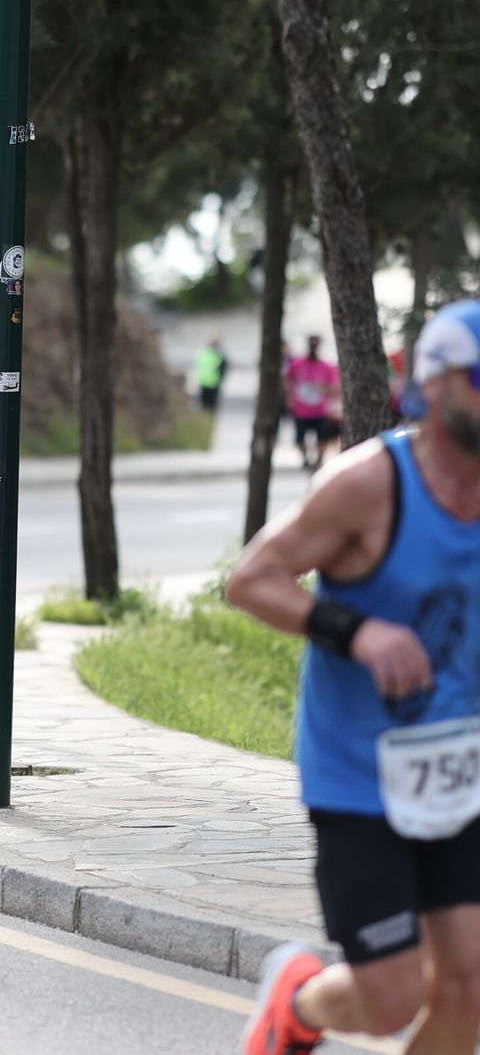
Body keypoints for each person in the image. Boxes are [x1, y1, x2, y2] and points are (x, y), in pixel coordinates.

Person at [226, 298, 480, 1055]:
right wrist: (356, 629)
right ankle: (298, 1002)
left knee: (469, 989)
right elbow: (252, 579)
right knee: (391, 998)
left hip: (460, 769)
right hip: (358, 775)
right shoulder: (369, 483)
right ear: (432, 385)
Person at [284, 334, 341, 471]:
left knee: (323, 437)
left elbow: (335, 388)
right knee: (299, 439)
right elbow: (286, 378)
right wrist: (289, 396)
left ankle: (319, 460)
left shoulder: (326, 366)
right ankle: (305, 459)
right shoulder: (297, 364)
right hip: (300, 410)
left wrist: (322, 388)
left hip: (320, 410)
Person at [194, 334, 229, 412]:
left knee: (205, 407)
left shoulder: (203, 354)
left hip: (205, 383)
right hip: (212, 384)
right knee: (210, 407)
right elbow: (224, 369)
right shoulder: (219, 355)